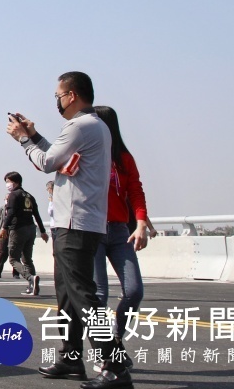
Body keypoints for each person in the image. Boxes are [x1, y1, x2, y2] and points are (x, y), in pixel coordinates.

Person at [8, 71, 132, 389]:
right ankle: (71, 356)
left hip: (76, 224)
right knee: (67, 296)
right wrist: (34, 136)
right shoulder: (94, 127)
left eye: (58, 96)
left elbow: (48, 162)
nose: (57, 102)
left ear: (72, 95)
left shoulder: (80, 126)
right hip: (76, 222)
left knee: (82, 296)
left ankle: (115, 365)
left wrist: (23, 140)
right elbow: (58, 157)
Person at [93, 105, 149, 370]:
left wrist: (140, 224)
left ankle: (115, 339)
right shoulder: (86, 154)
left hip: (118, 231)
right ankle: (105, 353)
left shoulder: (124, 158)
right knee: (98, 295)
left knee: (135, 290)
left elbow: (136, 191)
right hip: (91, 230)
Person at [0, 171, 48, 296]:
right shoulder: (29, 196)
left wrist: (4, 228)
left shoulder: (13, 195)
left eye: (8, 182)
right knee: (27, 258)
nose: (7, 184)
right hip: (31, 229)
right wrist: (42, 231)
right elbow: (36, 214)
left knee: (13, 258)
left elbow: (10, 213)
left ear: (15, 182)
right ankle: (33, 286)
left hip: (18, 229)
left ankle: (30, 278)